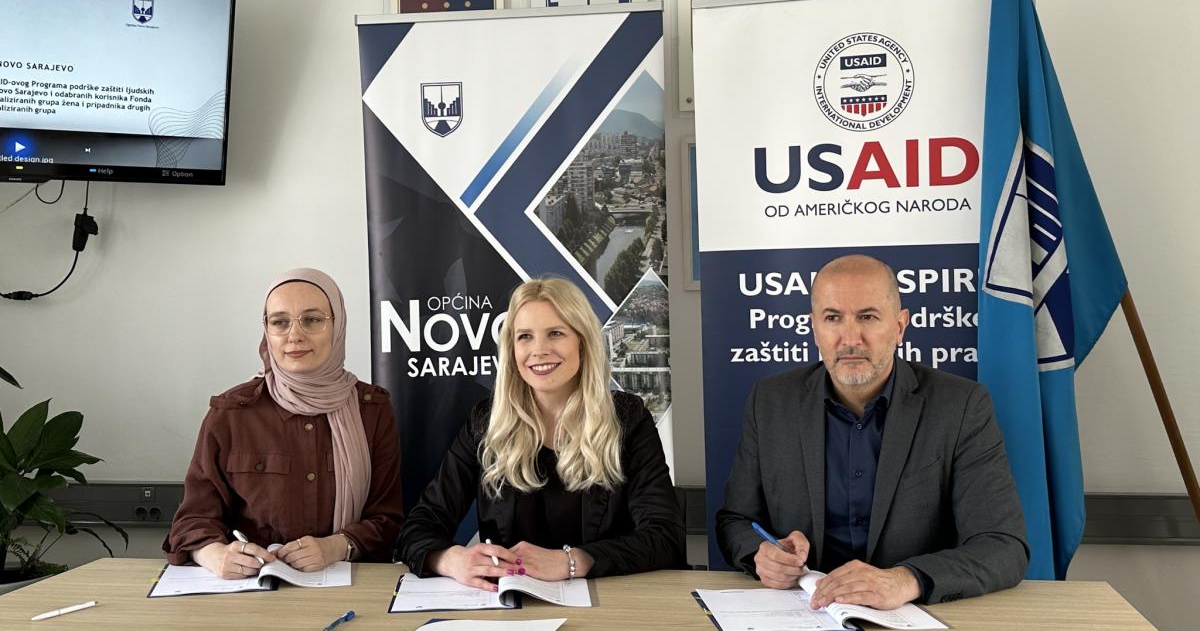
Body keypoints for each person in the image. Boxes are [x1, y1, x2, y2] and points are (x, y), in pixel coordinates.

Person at [716, 255, 1028, 609]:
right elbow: (735, 521)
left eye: (867, 317)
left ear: (899, 326)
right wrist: (763, 553)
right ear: (814, 327)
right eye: (833, 318)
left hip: (912, 615)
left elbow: (1003, 545)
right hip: (803, 612)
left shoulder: (960, 406)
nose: (851, 338)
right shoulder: (770, 401)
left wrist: (906, 580)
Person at [396, 277, 685, 590]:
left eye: (556, 333)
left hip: (609, 603)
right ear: (512, 349)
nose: (539, 350)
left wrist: (572, 561)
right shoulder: (486, 421)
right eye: (524, 337)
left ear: (583, 343)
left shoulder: (627, 419)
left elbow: (665, 536)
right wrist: (450, 559)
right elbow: (419, 526)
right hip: (511, 608)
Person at [164, 268, 404, 578]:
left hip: (350, 589)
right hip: (250, 594)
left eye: (312, 320)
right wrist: (214, 554)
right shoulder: (231, 413)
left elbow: (388, 521)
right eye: (279, 322)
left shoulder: (373, 411)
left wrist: (336, 546)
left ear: (338, 326)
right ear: (267, 331)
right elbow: (193, 520)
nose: (295, 335)